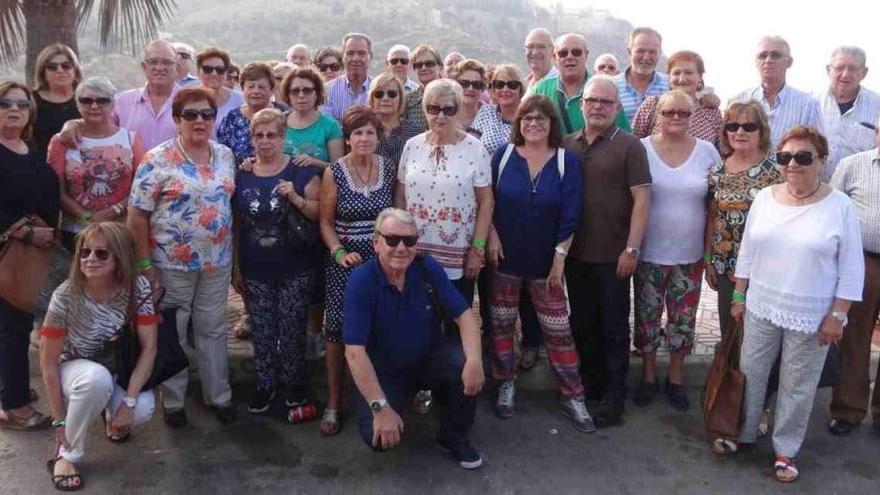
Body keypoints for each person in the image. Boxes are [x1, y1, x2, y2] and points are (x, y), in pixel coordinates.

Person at [717, 126, 864, 483]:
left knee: (797, 384)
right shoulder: (766, 197)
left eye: (803, 157)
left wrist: (838, 316)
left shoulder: (839, 206)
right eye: (785, 157)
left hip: (811, 314)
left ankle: (786, 449)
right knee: (751, 373)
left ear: (822, 161)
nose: (793, 164)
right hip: (762, 305)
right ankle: (745, 433)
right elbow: (747, 251)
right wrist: (739, 296)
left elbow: (851, 267)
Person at [128, 87, 237, 428]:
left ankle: (219, 397)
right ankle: (173, 402)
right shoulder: (156, 160)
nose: (199, 121)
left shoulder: (224, 155)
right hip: (170, 264)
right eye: (190, 114)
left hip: (217, 262)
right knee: (172, 332)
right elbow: (136, 216)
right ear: (177, 120)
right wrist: (145, 265)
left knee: (213, 329)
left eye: (206, 114)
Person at [344, 208, 485, 469]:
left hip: (427, 359)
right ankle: (393, 406)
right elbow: (354, 352)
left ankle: (453, 435)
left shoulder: (426, 267)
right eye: (392, 239)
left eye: (409, 241)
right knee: (377, 439)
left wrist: (475, 361)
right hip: (384, 372)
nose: (401, 248)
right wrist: (380, 408)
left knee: (463, 359)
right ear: (376, 242)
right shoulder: (361, 280)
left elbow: (465, 315)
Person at [486, 95, 592, 431]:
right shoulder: (502, 156)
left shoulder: (566, 161)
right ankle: (505, 382)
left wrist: (560, 258)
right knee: (501, 327)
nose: (533, 123)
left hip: (548, 263)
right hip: (505, 259)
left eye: (541, 118)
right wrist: (490, 234)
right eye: (527, 117)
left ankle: (573, 394)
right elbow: (486, 201)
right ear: (518, 122)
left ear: (552, 123)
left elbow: (571, 213)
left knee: (558, 330)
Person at [39, 222, 157, 491]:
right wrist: (58, 421)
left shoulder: (137, 287)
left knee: (142, 408)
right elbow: (47, 362)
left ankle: (111, 416)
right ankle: (66, 455)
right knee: (95, 380)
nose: (90, 259)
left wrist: (128, 402)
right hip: (75, 368)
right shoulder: (65, 295)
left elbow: (149, 347)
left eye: (101, 253)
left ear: (120, 258)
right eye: (85, 252)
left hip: (118, 368)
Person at [563, 75, 651, 427]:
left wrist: (632, 248)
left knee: (614, 328)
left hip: (614, 255)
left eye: (605, 102)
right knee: (582, 323)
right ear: (581, 104)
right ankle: (590, 385)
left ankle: (615, 396)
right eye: (592, 101)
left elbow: (643, 199)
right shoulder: (568, 144)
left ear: (616, 108)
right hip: (575, 255)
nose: (597, 107)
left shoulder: (630, 146)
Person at [632, 90, 720, 412]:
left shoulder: (707, 151)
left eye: (683, 113)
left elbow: (716, 204)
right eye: (669, 112)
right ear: (658, 114)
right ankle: (649, 376)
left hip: (690, 254)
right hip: (649, 251)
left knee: (682, 320)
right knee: (647, 318)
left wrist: (711, 254)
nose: (676, 118)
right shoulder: (640, 149)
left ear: (693, 115)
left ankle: (677, 379)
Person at [231, 109, 321, 414]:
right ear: (252, 138)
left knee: (293, 328)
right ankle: (265, 384)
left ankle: (294, 383)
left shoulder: (300, 171)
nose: (265, 141)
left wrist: (295, 197)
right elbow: (236, 224)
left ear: (283, 138)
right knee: (262, 328)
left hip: (296, 266)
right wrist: (236, 267)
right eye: (259, 135)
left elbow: (319, 213)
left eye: (272, 135)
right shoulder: (242, 173)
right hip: (255, 266)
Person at [318, 106, 394, 436]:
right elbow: (325, 221)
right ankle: (334, 402)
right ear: (347, 139)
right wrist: (338, 253)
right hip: (344, 261)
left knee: (380, 328)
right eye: (357, 133)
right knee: (337, 331)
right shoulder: (334, 172)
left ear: (378, 137)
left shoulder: (389, 168)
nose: (364, 138)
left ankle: (378, 398)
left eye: (370, 133)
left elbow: (396, 213)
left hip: (382, 261)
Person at [396, 79, 493, 304]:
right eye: (433, 108)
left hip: (458, 255)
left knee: (455, 320)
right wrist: (402, 240)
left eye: (448, 109)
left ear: (458, 110)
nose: (440, 116)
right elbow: (400, 195)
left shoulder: (474, 148)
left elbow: (486, 202)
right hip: (415, 252)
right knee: (418, 317)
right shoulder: (412, 145)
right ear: (425, 110)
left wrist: (477, 250)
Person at [0, 81, 59, 431]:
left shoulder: (27, 147)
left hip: (27, 253)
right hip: (9, 250)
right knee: (14, 327)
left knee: (12, 326)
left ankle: (11, 388)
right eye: (5, 103)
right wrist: (24, 231)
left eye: (22, 105)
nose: (14, 109)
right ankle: (15, 406)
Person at [706, 101, 781, 338]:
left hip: (765, 267)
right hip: (726, 264)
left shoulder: (777, 170)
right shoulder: (718, 170)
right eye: (733, 125)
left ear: (762, 131)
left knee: (761, 337)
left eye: (749, 126)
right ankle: (731, 375)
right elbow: (712, 215)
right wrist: (708, 258)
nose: (740, 132)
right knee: (730, 333)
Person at [47, 77, 145, 252]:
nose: (94, 106)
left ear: (113, 104)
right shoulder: (61, 141)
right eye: (86, 100)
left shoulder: (131, 139)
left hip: (120, 230)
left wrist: (114, 211)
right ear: (77, 104)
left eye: (102, 100)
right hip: (77, 232)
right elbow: (56, 190)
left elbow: (141, 187)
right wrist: (86, 216)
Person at [827, 119, 880, 436]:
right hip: (861, 261)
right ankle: (848, 410)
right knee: (854, 338)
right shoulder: (853, 165)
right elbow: (831, 212)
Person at [732, 36, 824, 150]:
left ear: (789, 62)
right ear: (756, 62)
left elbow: (818, 151)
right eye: (763, 56)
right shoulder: (738, 101)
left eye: (775, 55)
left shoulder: (808, 105)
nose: (768, 60)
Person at [530, 34, 630, 134]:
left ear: (586, 55)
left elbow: (624, 135)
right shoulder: (540, 90)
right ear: (555, 57)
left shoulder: (606, 90)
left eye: (576, 52)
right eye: (563, 53)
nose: (569, 57)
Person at [632, 51, 723, 148]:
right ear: (669, 78)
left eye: (688, 73)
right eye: (676, 73)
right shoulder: (652, 105)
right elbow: (633, 143)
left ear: (700, 78)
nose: (682, 79)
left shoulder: (711, 112)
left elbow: (721, 152)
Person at [816, 46, 880, 182]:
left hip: (859, 190)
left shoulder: (877, 105)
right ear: (829, 70)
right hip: (814, 189)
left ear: (864, 72)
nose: (845, 74)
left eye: (853, 69)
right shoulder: (812, 102)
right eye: (839, 68)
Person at [112, 40, 182, 151]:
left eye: (167, 62)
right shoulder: (121, 102)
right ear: (144, 67)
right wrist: (77, 124)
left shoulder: (192, 104)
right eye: (153, 62)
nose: (159, 67)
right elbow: (100, 130)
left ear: (177, 68)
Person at [217, 61, 285, 165]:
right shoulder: (232, 119)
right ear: (243, 89)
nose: (256, 91)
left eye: (261, 87)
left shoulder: (285, 115)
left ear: (271, 90)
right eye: (251, 86)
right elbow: (222, 155)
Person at [281, 68, 344, 168]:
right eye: (295, 91)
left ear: (317, 93)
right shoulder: (278, 122)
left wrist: (315, 163)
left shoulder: (330, 126)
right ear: (288, 95)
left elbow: (339, 170)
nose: (301, 95)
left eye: (307, 90)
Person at [31, 44, 82, 162]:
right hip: (41, 170)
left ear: (75, 69)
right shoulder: (30, 102)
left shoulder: (88, 100)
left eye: (66, 66)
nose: (60, 70)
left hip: (82, 171)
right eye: (52, 67)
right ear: (43, 72)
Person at [613, 27, 670, 123]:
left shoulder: (670, 84)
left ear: (659, 53)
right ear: (629, 51)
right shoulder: (612, 86)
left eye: (652, 52)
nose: (646, 57)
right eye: (641, 51)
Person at [368, 73, 421, 171]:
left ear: (400, 98)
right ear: (372, 99)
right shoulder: (363, 130)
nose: (385, 98)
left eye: (392, 94)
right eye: (379, 94)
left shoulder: (415, 132)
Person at [471, 64, 523, 155]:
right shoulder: (486, 112)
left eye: (512, 85)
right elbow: (470, 146)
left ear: (521, 89)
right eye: (500, 85)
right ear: (494, 89)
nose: (505, 89)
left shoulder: (529, 117)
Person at [323, 33, 374, 121]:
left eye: (362, 53)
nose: (355, 58)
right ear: (342, 56)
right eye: (350, 53)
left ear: (371, 56)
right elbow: (327, 127)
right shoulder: (327, 91)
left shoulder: (379, 90)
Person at [195, 47, 244, 137]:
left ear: (226, 73)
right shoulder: (188, 99)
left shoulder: (239, 100)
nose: (214, 74)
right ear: (198, 72)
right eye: (207, 69)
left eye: (220, 69)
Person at [403, 45, 443, 131]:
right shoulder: (408, 100)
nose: (423, 68)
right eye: (419, 65)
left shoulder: (454, 96)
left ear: (440, 67)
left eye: (429, 64)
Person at [447, 59, 487, 131]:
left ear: (482, 88)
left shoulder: (490, 115)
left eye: (476, 84)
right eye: (464, 83)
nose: (470, 89)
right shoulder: (445, 114)